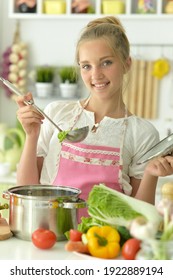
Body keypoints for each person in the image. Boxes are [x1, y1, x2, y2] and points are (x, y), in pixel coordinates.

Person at [16, 16, 173, 219]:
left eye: (106, 63)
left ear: (127, 64)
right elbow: (26, 191)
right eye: (86, 66)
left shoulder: (142, 133)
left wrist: (151, 174)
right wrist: (31, 135)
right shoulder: (56, 114)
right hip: (48, 236)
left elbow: (139, 220)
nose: (95, 75)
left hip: (104, 244)